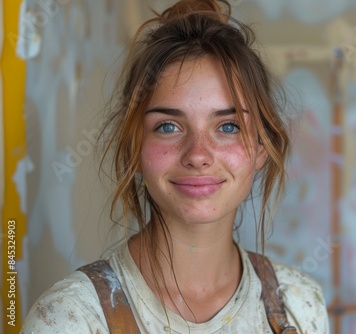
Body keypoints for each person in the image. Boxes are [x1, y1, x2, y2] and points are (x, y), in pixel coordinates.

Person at [22, 0, 329, 333]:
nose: (198, 154)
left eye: (228, 126)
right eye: (168, 126)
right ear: (134, 148)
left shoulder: (300, 305)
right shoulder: (69, 318)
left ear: (260, 148)